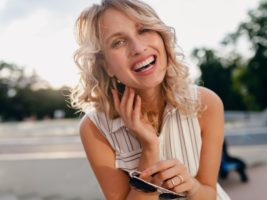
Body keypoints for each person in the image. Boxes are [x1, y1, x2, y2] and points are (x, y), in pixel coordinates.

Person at [70, 0, 230, 199]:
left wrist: (193, 187)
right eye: (118, 42)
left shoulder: (206, 103)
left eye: (144, 30)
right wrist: (149, 150)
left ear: (161, 37)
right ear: (106, 66)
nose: (138, 48)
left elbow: (210, 192)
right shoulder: (95, 129)